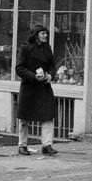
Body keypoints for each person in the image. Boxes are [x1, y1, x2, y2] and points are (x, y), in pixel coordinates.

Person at [15, 27, 58, 156]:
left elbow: (52, 65)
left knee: (47, 116)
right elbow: (19, 68)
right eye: (43, 33)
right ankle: (22, 145)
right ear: (36, 35)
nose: (45, 36)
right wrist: (33, 76)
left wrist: (50, 75)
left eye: (46, 34)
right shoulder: (26, 48)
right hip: (29, 87)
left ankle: (47, 144)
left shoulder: (47, 48)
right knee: (24, 118)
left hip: (44, 87)